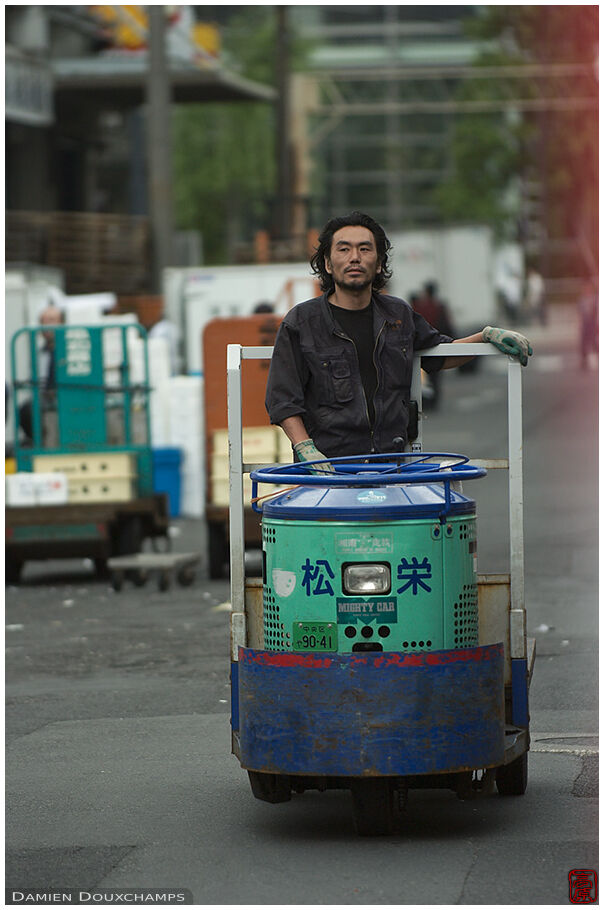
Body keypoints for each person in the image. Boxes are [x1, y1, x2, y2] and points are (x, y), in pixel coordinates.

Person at [265, 211, 532, 472]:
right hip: (326, 470)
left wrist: (486, 337)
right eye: (344, 249)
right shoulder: (301, 322)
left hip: (390, 467)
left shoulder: (398, 315)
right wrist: (306, 448)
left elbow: (439, 355)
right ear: (327, 263)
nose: (355, 258)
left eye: (365, 249)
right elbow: (282, 398)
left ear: (379, 263)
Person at [18, 303, 64, 444]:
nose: (47, 325)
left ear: (62, 323)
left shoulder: (70, 350)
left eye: (52, 320)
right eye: (44, 321)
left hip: (67, 395)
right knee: (26, 409)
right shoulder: (40, 354)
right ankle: (37, 442)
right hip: (45, 398)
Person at [411, 281, 456, 409]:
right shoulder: (439, 306)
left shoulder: (419, 307)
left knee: (422, 375)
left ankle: (425, 400)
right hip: (438, 343)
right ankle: (434, 400)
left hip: (423, 344)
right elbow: (447, 325)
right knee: (436, 375)